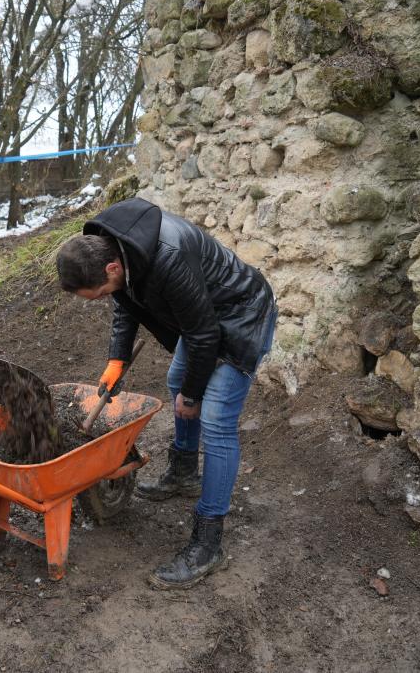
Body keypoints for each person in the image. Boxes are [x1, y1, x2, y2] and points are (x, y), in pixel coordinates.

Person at [56, 197, 277, 589]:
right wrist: (116, 360)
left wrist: (192, 398)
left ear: (111, 268)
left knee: (215, 419)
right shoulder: (118, 249)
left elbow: (205, 334)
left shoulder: (167, 258)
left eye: (101, 291)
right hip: (202, 315)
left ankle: (208, 543)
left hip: (241, 314)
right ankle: (184, 472)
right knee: (178, 381)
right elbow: (127, 303)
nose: (106, 297)